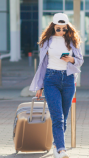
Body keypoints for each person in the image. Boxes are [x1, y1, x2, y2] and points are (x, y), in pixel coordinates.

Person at [29, 13, 84, 158]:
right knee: (57, 117)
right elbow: (42, 66)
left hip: (68, 80)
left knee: (64, 117)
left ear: (67, 28)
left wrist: (71, 59)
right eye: (58, 29)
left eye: (64, 29)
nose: (61, 32)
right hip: (51, 79)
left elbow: (80, 60)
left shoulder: (72, 41)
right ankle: (61, 150)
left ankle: (56, 146)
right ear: (53, 27)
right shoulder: (46, 42)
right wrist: (39, 87)